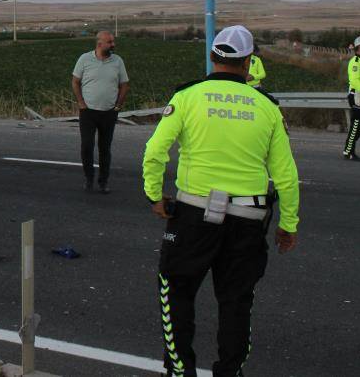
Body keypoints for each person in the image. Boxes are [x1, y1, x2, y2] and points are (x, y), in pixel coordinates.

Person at [142, 25, 299, 377]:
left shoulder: (187, 97)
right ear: (248, 63)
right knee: (236, 301)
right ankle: (230, 372)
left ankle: (180, 370)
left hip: (193, 215)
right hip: (248, 219)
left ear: (213, 57)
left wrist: (154, 195)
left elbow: (155, 152)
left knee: (176, 290)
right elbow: (286, 176)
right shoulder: (268, 107)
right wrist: (288, 225)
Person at [71, 31, 129, 193]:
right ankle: (89, 177)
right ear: (99, 44)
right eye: (110, 42)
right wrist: (81, 103)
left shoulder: (117, 61)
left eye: (113, 42)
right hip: (88, 112)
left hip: (109, 112)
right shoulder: (84, 59)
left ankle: (103, 182)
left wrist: (118, 105)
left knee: (105, 148)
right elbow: (75, 82)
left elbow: (124, 84)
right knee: (87, 146)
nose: (113, 45)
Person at [342, 35, 360, 160]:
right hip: (356, 96)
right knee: (356, 124)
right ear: (358, 48)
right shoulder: (355, 62)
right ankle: (348, 152)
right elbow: (354, 81)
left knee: (359, 126)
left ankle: (348, 150)